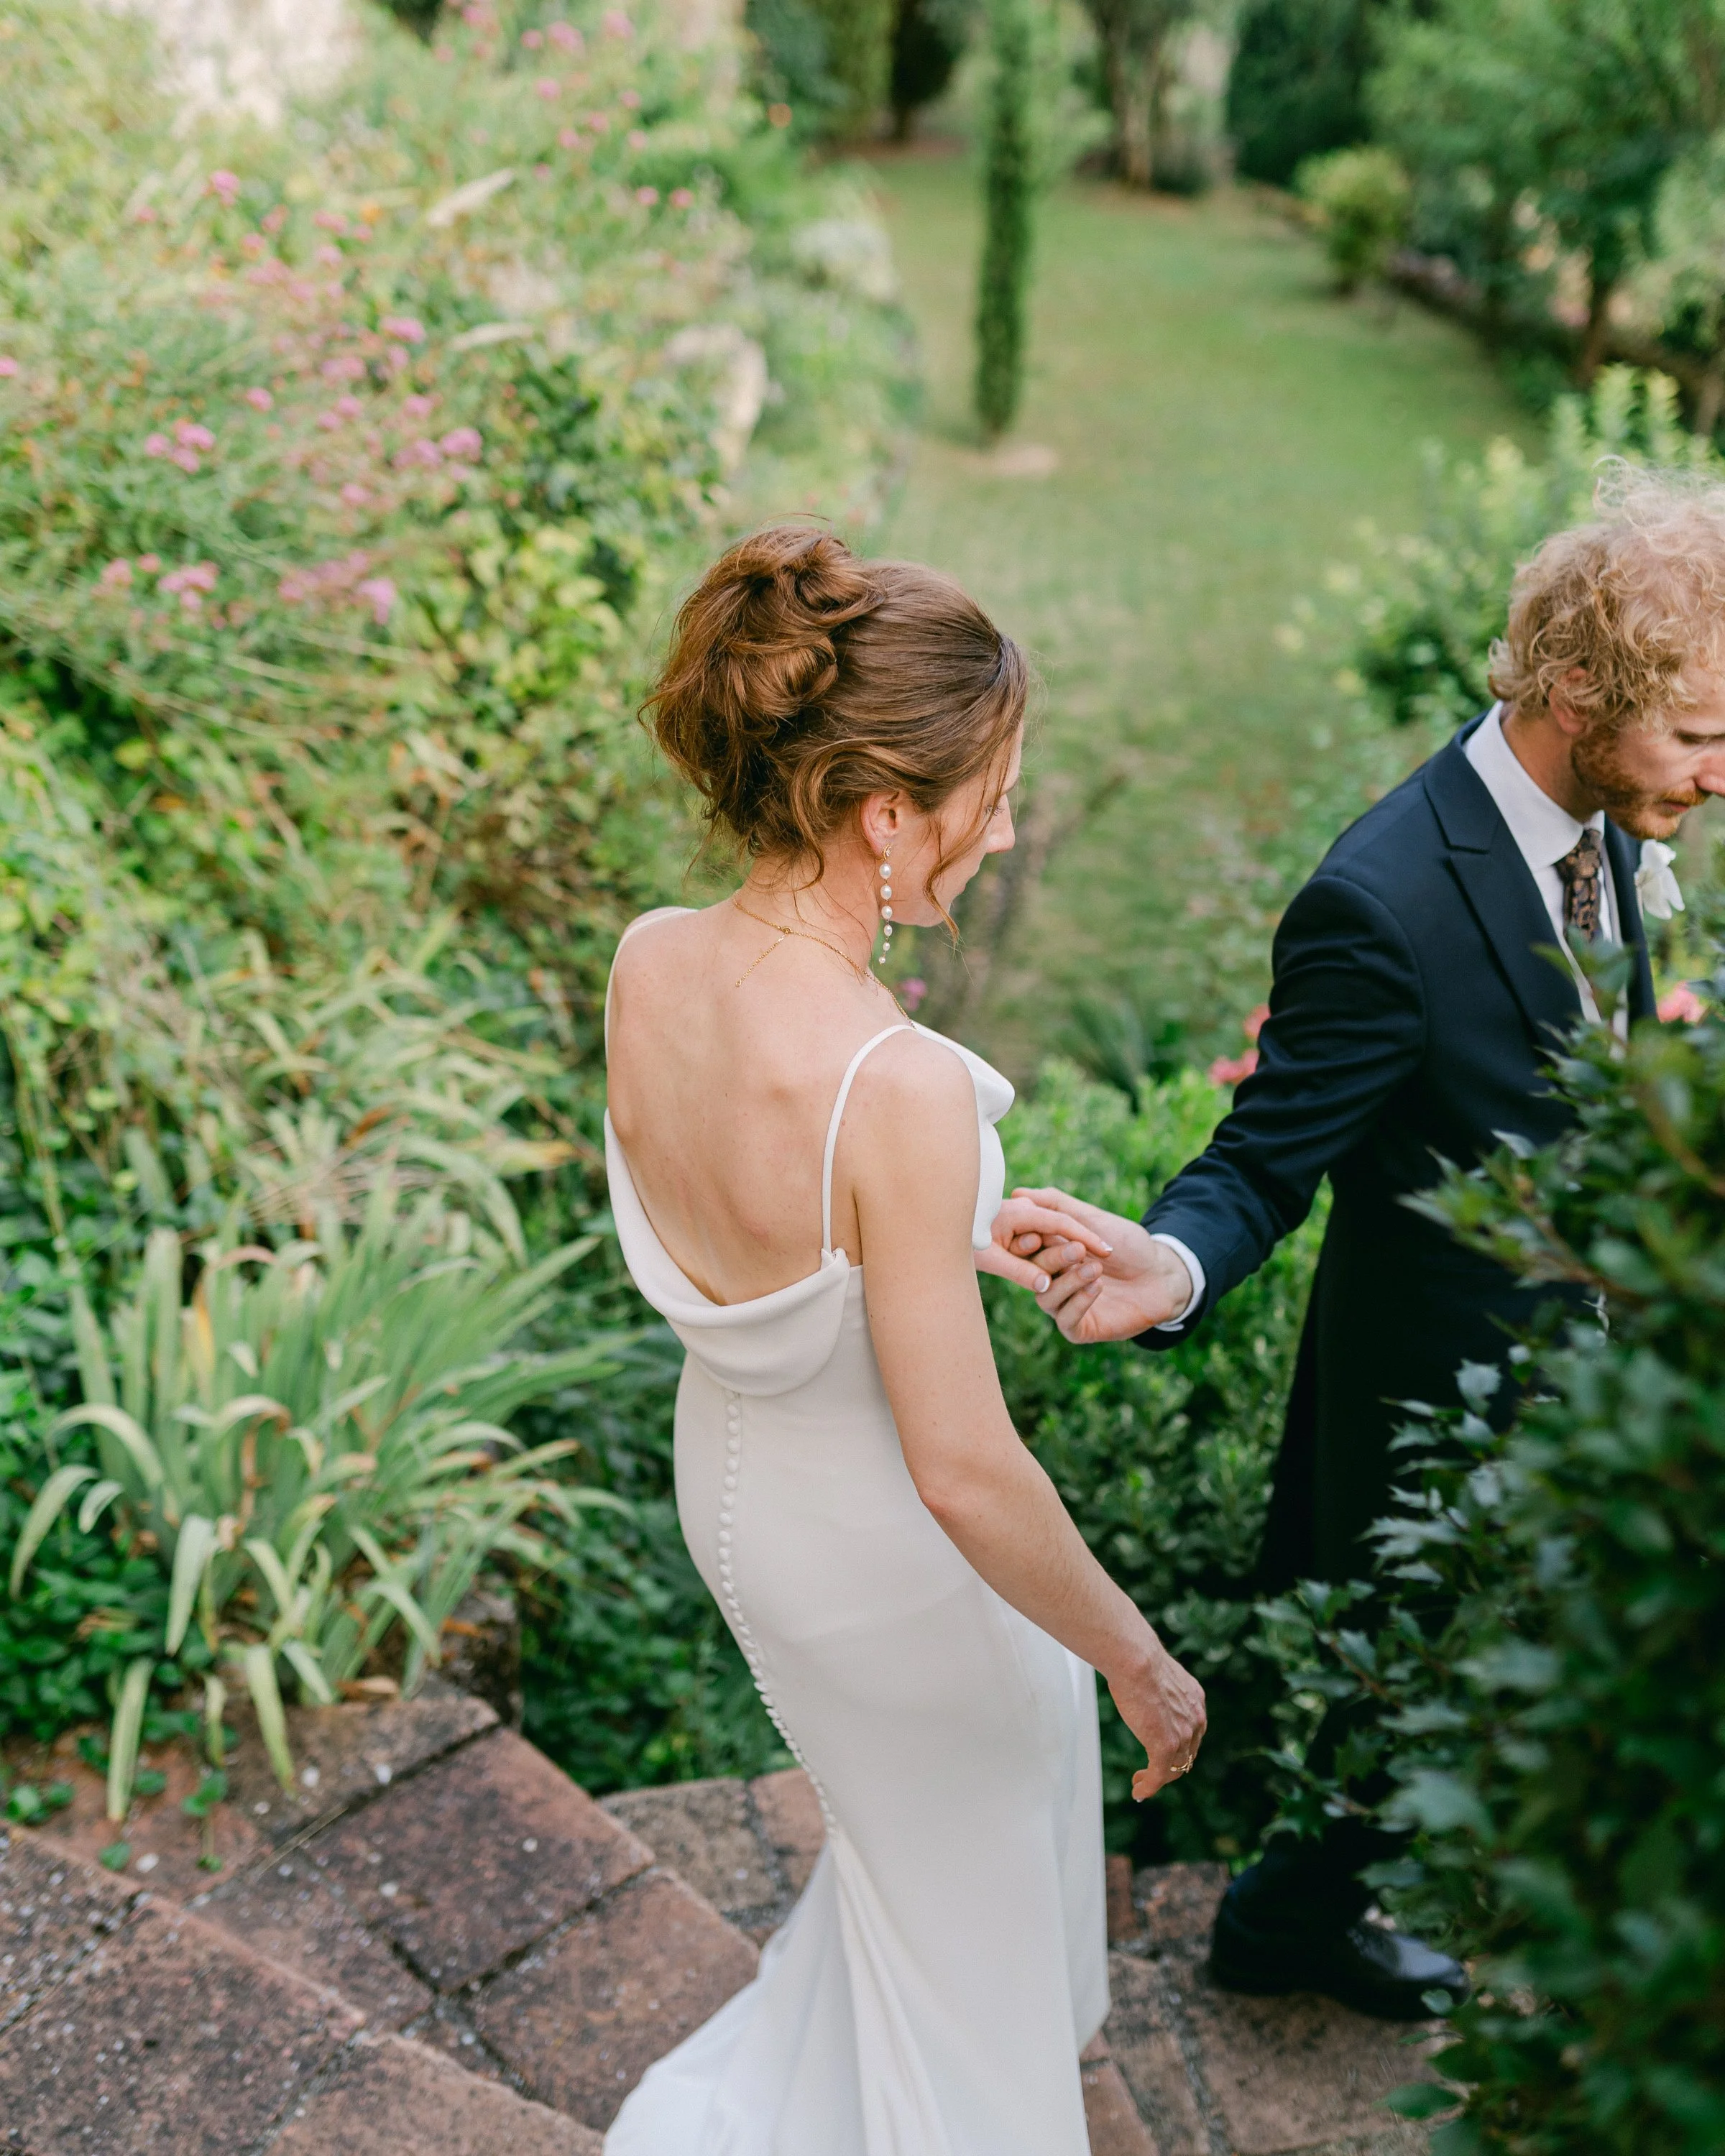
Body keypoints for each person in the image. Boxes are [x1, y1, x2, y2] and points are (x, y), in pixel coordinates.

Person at [1000, 471, 1725, 2020]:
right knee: (1403, 1736)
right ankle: (1278, 1930)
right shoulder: (1383, 900)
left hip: (1587, 1392)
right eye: (1701, 736)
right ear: (1580, 688)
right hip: (1432, 1416)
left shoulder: (1597, 824)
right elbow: (1265, 1160)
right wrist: (1172, 1266)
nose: (1720, 774)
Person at [601, 525, 1207, 2155]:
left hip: (740, 1499)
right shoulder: (902, 1085)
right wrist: (1138, 1664)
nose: (1002, 829)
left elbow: (761, 1227)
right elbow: (963, 1470)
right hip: (893, 1559)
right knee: (973, 1935)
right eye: (987, 792)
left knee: (912, 1870)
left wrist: (949, 1240)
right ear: (884, 811)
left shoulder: (651, 964)